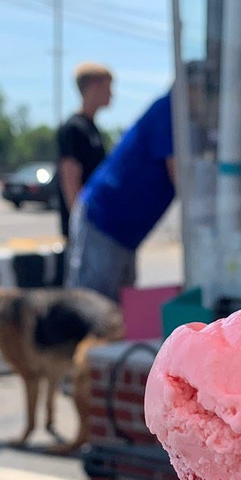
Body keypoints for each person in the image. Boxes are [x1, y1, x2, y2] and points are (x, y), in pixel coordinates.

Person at [64, 89, 177, 303]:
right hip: (104, 222)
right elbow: (180, 175)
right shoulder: (171, 110)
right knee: (91, 306)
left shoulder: (180, 113)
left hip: (126, 231)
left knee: (119, 309)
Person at [57, 63, 113, 240]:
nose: (112, 94)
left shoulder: (92, 128)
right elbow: (70, 181)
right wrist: (82, 224)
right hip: (86, 230)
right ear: (94, 87)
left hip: (97, 225)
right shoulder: (74, 128)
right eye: (108, 87)